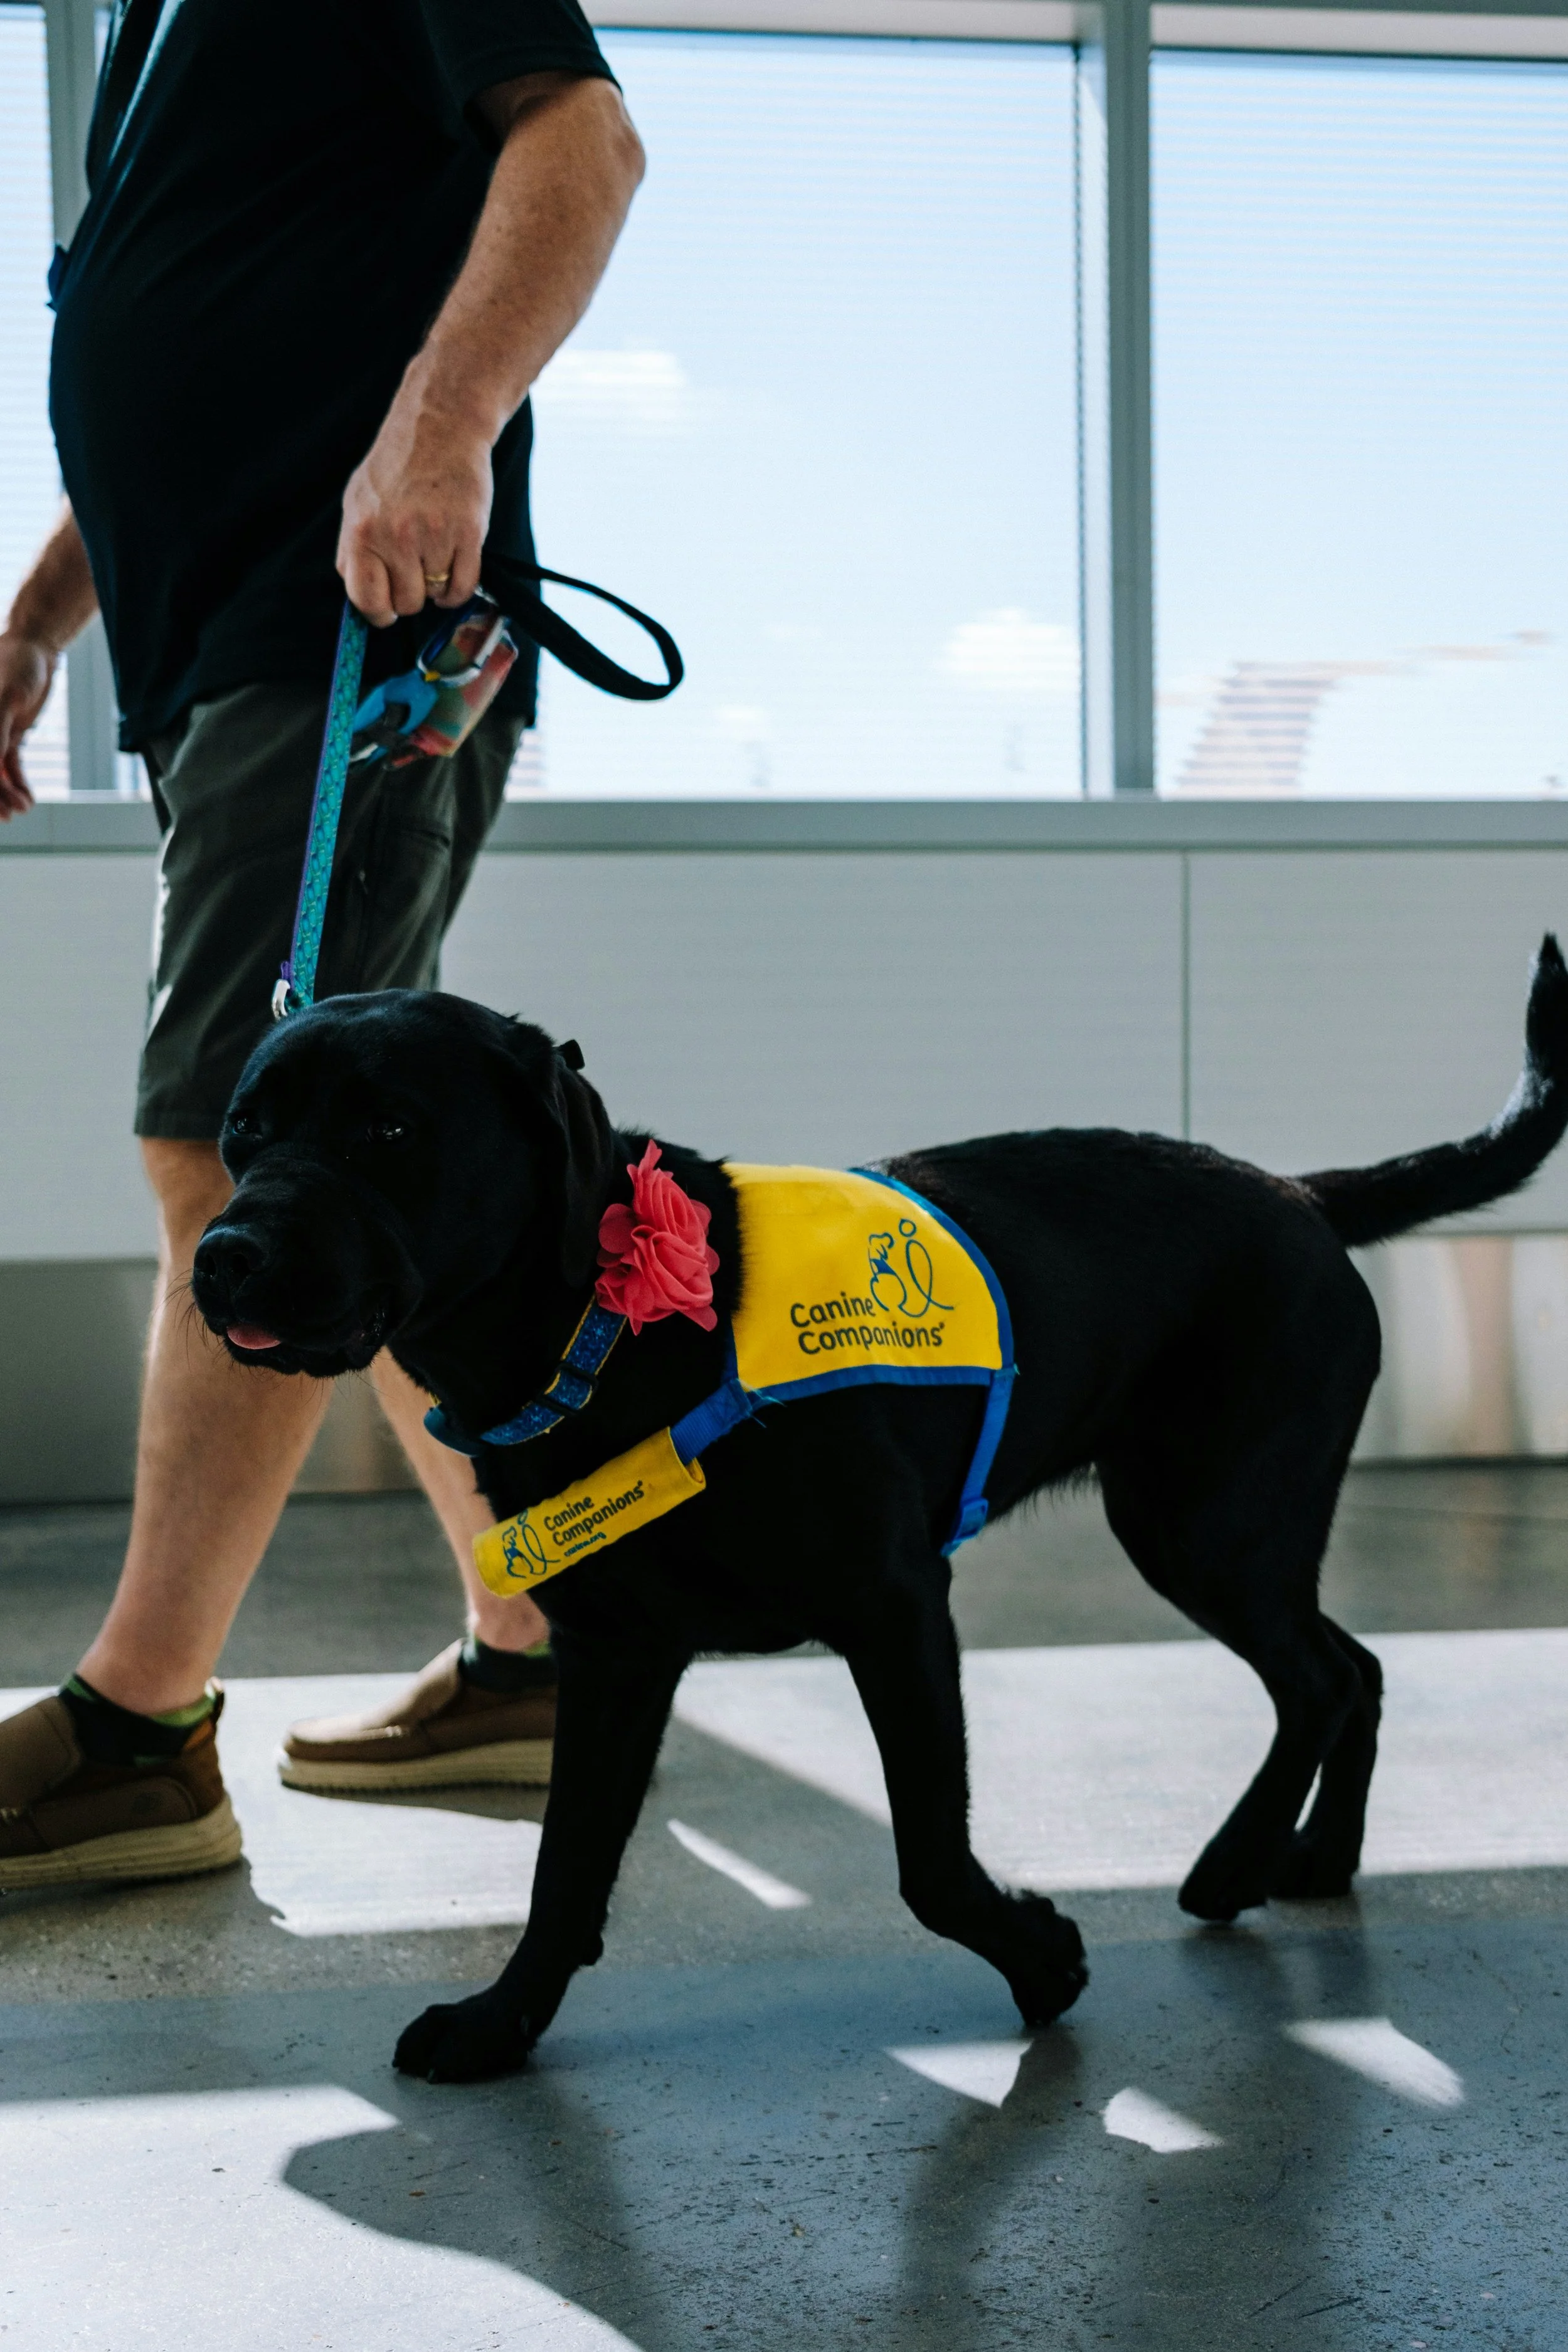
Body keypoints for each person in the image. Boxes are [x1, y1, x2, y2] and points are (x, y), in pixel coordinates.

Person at [0, 0, 646, 1885]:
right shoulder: (161, 30)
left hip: (350, 628)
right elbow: (214, 360)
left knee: (241, 1144)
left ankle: (140, 1725)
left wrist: (444, 428)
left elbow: (582, 141)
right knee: (341, 1171)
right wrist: (45, 616)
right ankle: (541, 1651)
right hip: (235, 650)